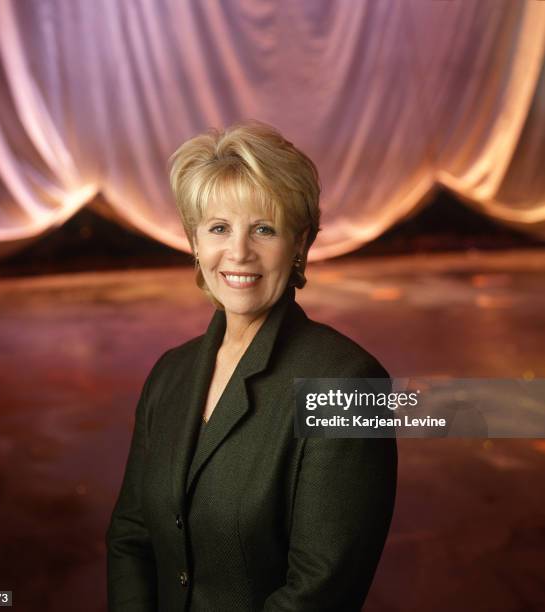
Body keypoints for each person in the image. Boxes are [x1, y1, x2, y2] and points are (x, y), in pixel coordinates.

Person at [106, 121, 397, 611]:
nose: (238, 251)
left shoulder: (351, 384)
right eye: (219, 228)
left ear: (301, 244)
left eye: (264, 229)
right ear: (196, 244)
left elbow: (320, 590)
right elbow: (131, 536)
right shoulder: (169, 374)